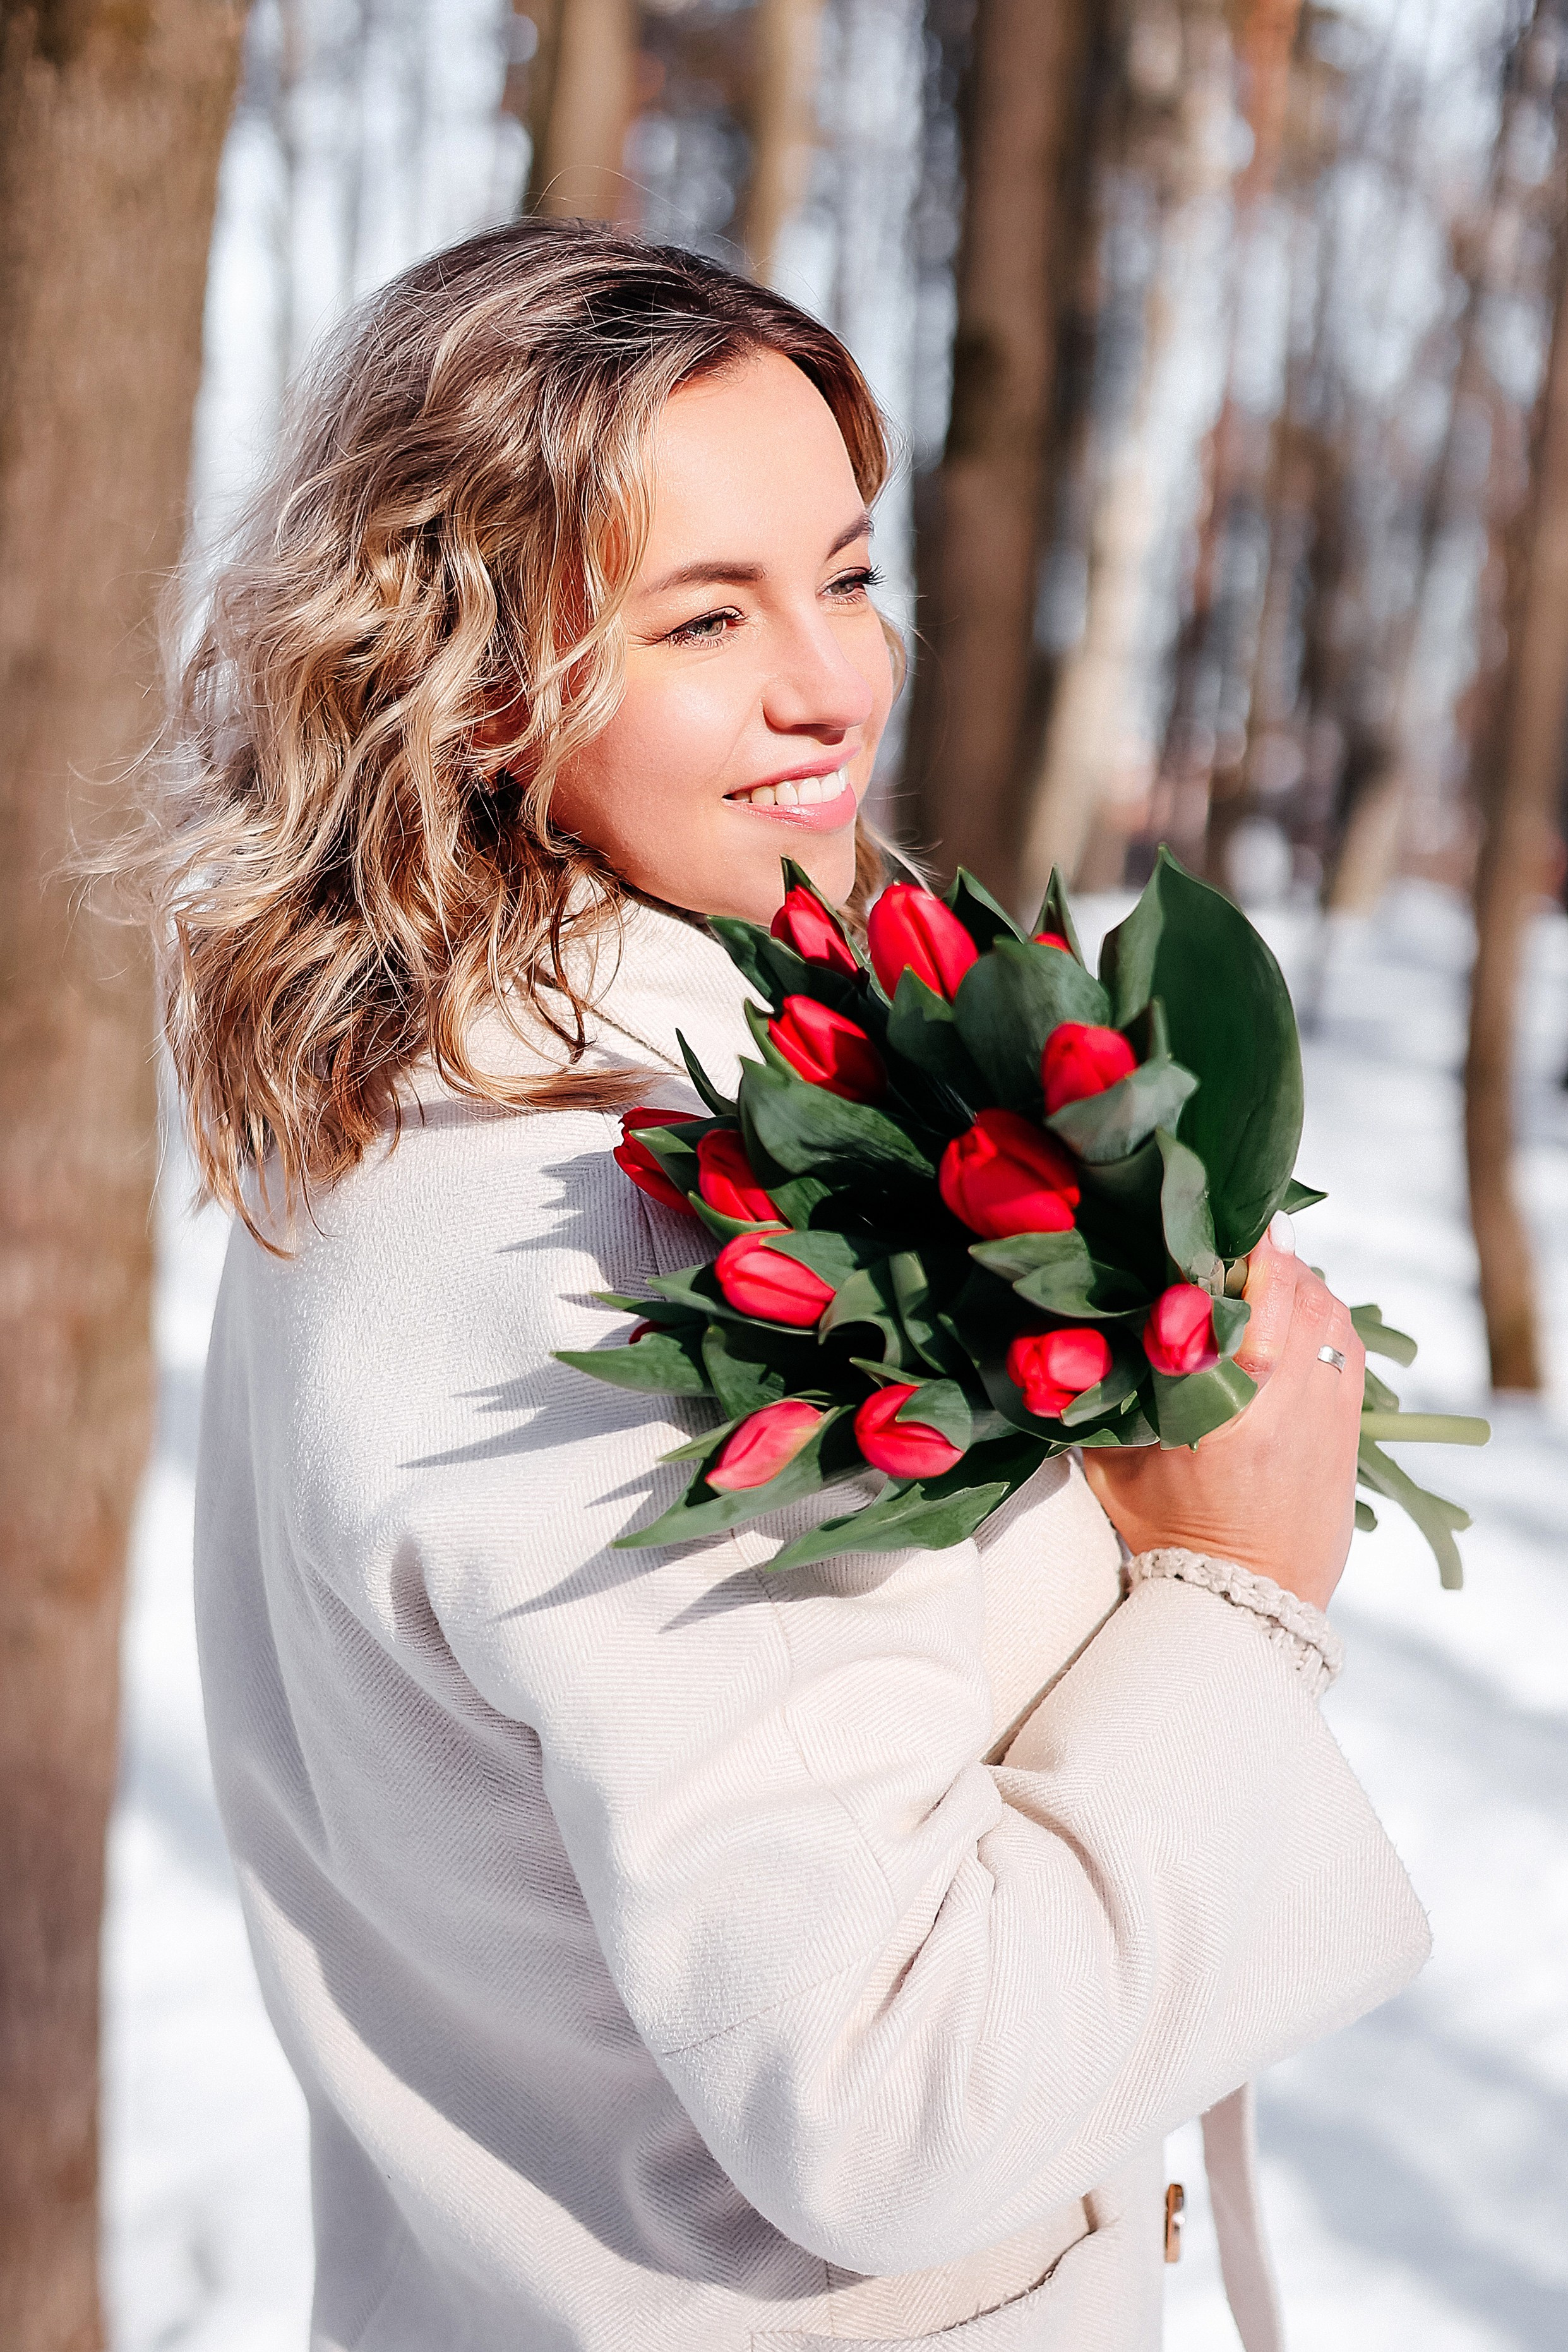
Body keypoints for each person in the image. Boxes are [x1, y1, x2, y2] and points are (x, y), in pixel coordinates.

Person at [140, 220, 1428, 2351]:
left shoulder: (423, 1104)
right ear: (477, 679)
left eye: (842, 575)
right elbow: (893, 2093)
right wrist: (1231, 1590)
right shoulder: (630, 1222)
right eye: (703, 615)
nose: (830, 680)